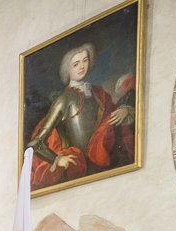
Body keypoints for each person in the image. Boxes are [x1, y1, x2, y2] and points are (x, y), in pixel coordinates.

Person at [26, 42, 135, 191]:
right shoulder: (65, 99)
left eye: (85, 60)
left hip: (104, 163)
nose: (82, 66)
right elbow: (36, 143)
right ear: (68, 70)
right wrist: (57, 159)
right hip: (79, 168)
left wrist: (125, 111)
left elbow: (112, 119)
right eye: (76, 64)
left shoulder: (99, 93)